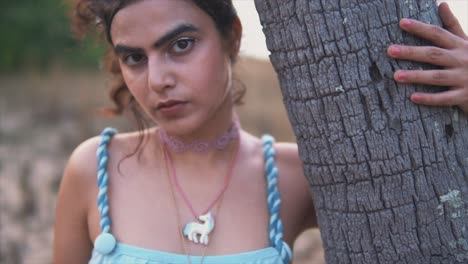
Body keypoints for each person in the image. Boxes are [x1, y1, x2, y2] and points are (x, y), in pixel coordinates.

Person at [53, 1, 468, 263]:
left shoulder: (296, 176)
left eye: (180, 45)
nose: (157, 79)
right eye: (134, 58)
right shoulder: (95, 169)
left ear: (232, 37)